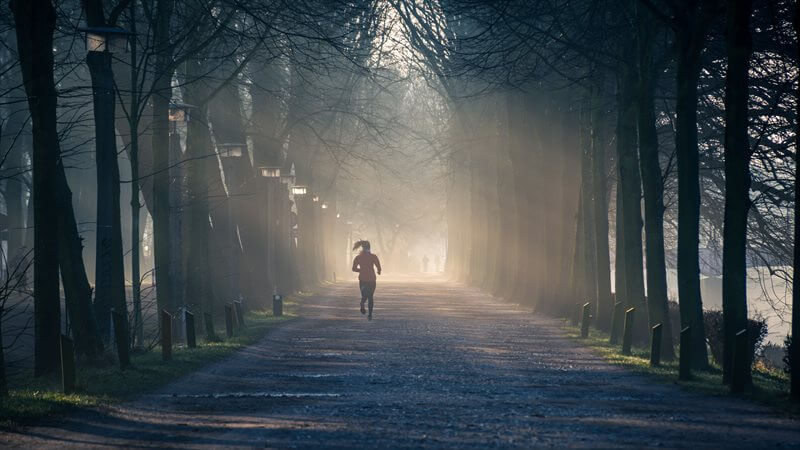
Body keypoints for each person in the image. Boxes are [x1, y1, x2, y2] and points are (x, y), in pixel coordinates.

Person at [352, 240, 381, 320]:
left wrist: (361, 270)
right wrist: (379, 271)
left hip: (362, 279)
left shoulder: (358, 257)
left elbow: (353, 268)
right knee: (370, 296)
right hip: (371, 279)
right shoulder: (373, 256)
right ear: (369, 247)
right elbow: (378, 266)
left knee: (364, 295)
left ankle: (362, 303)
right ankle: (370, 314)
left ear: (362, 247)